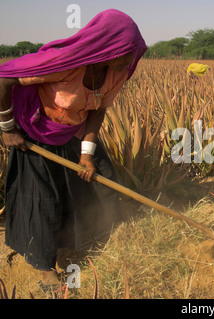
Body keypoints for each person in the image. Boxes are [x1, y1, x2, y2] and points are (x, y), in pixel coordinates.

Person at [0, 9, 147, 291]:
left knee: (101, 185)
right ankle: (46, 269)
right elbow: (4, 79)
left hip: (75, 132)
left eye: (134, 52)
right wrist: (8, 129)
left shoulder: (116, 73)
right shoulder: (64, 63)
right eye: (125, 52)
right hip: (37, 135)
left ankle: (81, 243)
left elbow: (98, 110)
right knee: (43, 200)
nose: (130, 60)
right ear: (107, 46)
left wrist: (86, 154)